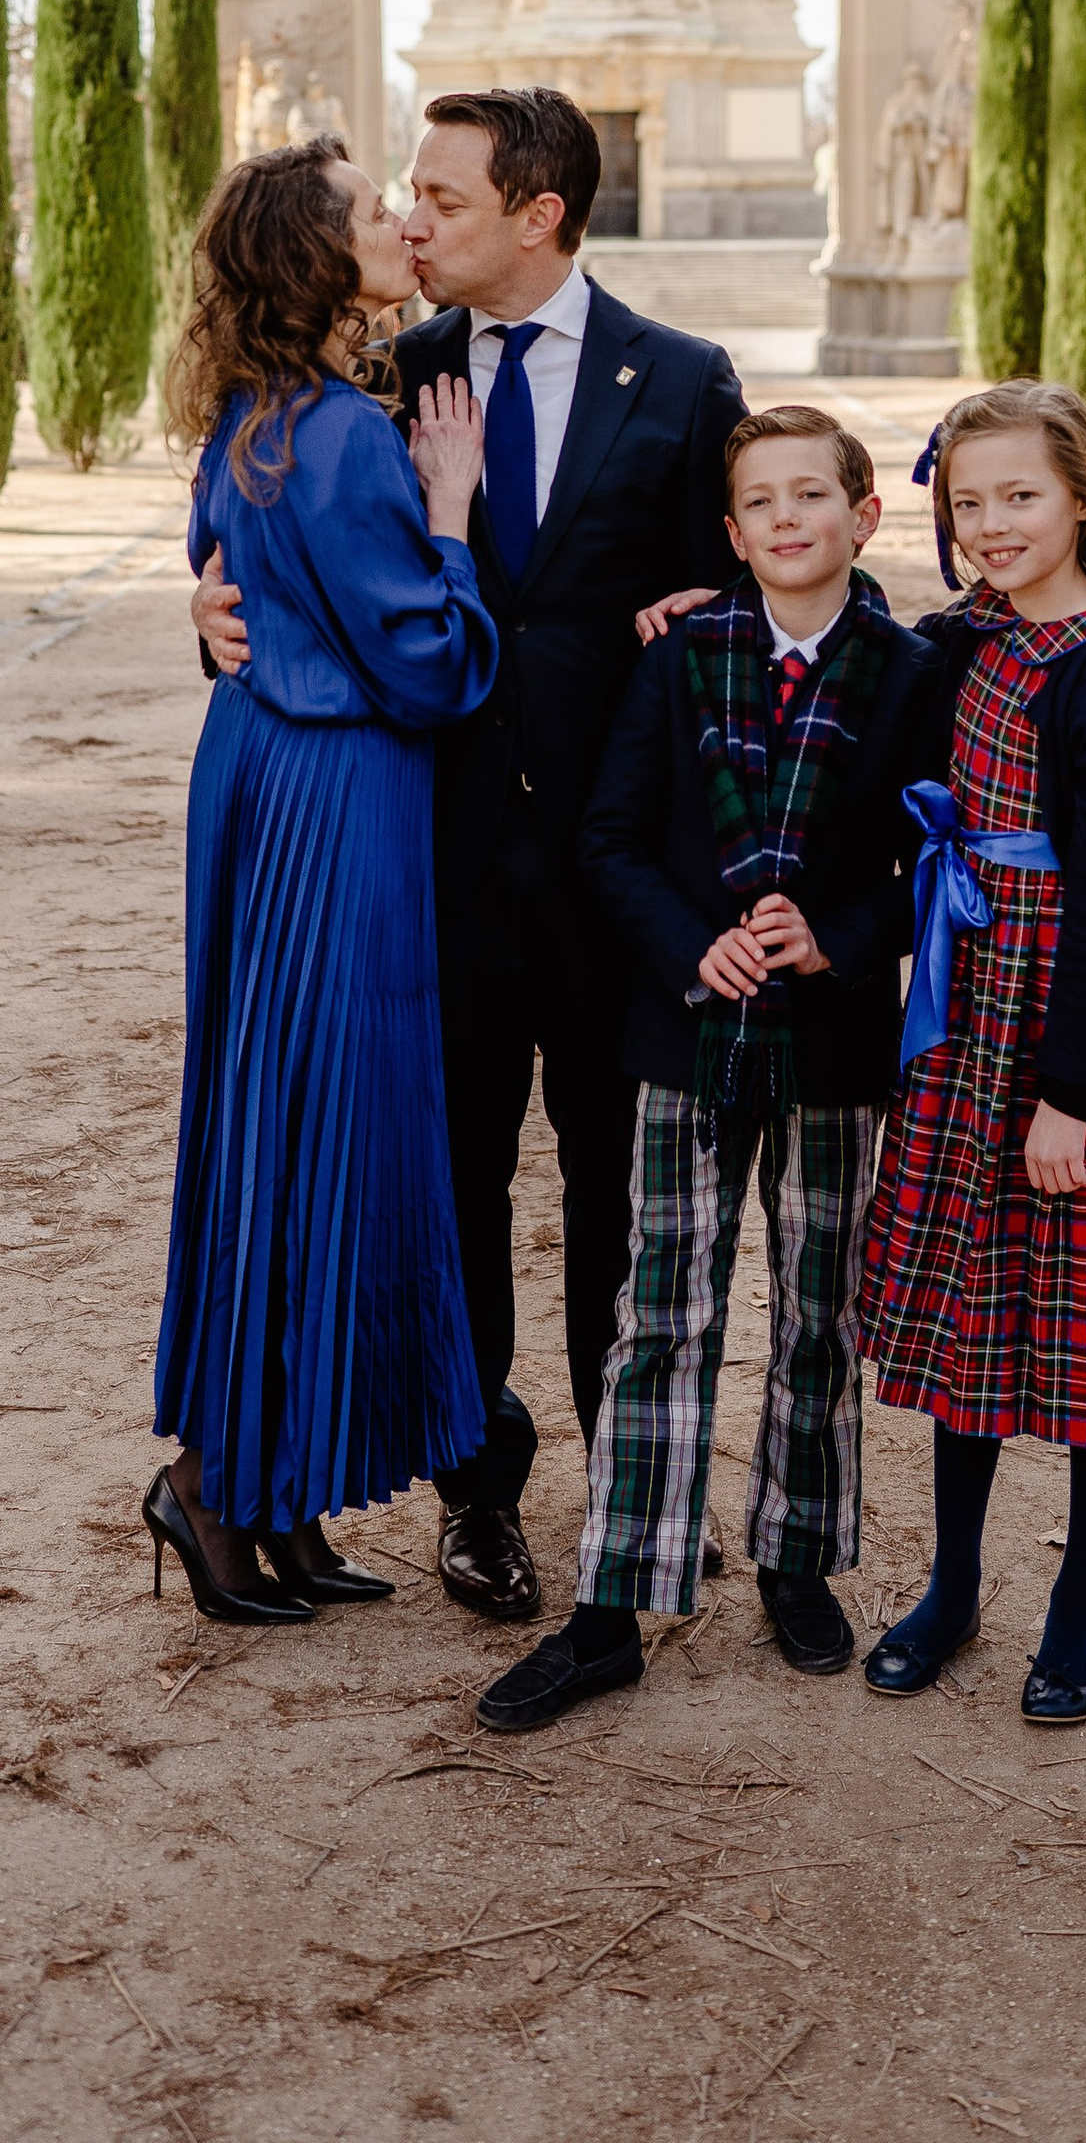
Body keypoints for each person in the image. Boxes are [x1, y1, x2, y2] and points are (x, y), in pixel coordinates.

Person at [193, 85, 745, 1624]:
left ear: (539, 215)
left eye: (442, 196)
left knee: (620, 1207)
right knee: (453, 1197)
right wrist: (207, 616)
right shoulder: (388, 373)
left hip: (618, 886)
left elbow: (768, 576)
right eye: (405, 201)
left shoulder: (686, 381)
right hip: (424, 882)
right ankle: (478, 1499)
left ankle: (639, 1489)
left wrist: (732, 623)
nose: (417, 220)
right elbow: (290, 556)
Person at [477, 406, 951, 1733]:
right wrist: (700, 947)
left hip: (839, 1048)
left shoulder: (912, 671)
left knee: (820, 1312)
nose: (788, 517)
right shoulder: (685, 652)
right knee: (662, 1320)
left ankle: (797, 1560)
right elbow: (611, 837)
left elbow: (932, 862)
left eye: (815, 495)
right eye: (761, 502)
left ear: (865, 516)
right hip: (687, 1037)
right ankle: (613, 1607)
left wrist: (843, 937)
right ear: (731, 532)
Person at [147, 139, 498, 1626]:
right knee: (318, 1135)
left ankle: (265, 1490)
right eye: (373, 210)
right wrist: (457, 514)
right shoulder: (355, 441)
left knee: (270, 1128)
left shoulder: (247, 413)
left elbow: (220, 574)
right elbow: (427, 665)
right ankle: (218, 1492)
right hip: (336, 794)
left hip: (254, 772)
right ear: (315, 257)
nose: (401, 221)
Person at [856, 380, 1086, 1722]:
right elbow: (860, 684)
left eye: (1021, 497)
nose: (994, 523)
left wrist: (1067, 1096)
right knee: (973, 1297)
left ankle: (1082, 1599)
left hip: (1076, 1021)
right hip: (972, 1008)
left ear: (1081, 500)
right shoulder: (966, 638)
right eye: (969, 502)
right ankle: (953, 1583)